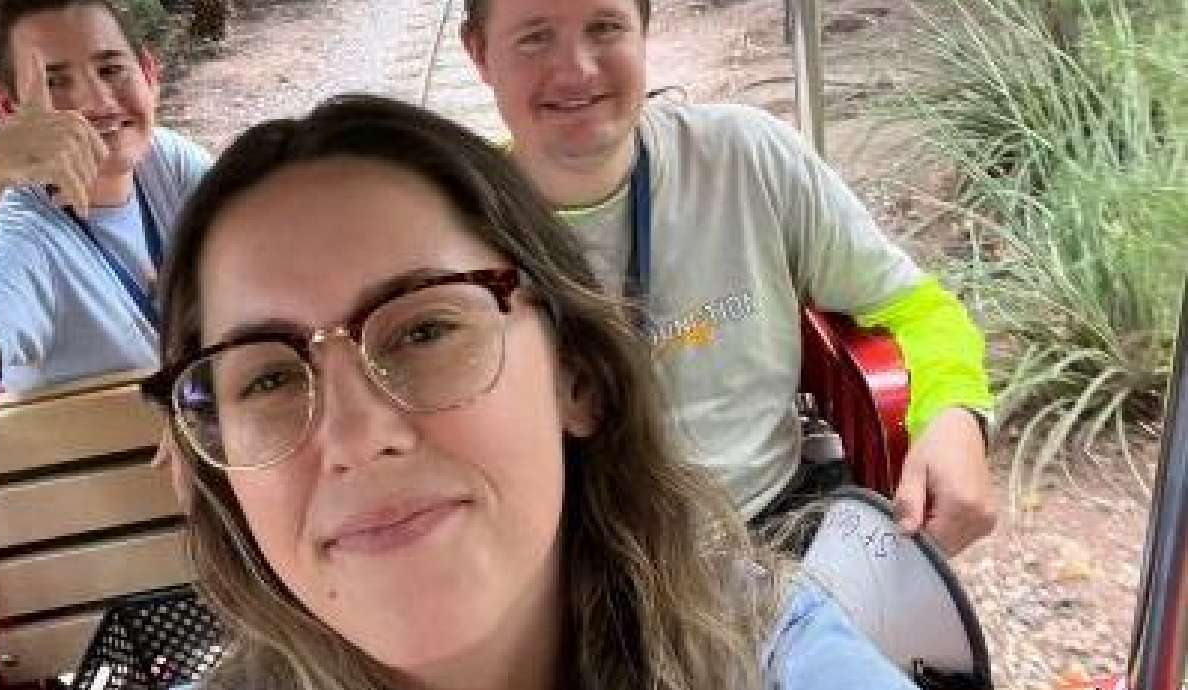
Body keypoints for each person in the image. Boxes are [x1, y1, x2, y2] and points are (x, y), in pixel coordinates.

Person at [141, 94, 920, 690]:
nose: (355, 437)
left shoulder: (769, 650)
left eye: (424, 331)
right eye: (268, 377)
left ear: (575, 377)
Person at [460, 0, 996, 555]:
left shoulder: (747, 160)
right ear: (479, 52)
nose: (576, 69)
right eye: (534, 38)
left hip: (774, 534)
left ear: (643, 31)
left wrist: (955, 414)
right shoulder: (447, 225)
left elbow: (917, 308)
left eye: (604, 27)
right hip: (573, 568)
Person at [0, 0, 212, 396]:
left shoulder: (168, 163)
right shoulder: (19, 237)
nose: (96, 104)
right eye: (54, 82)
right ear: (4, 105)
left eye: (111, 70)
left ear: (148, 72)